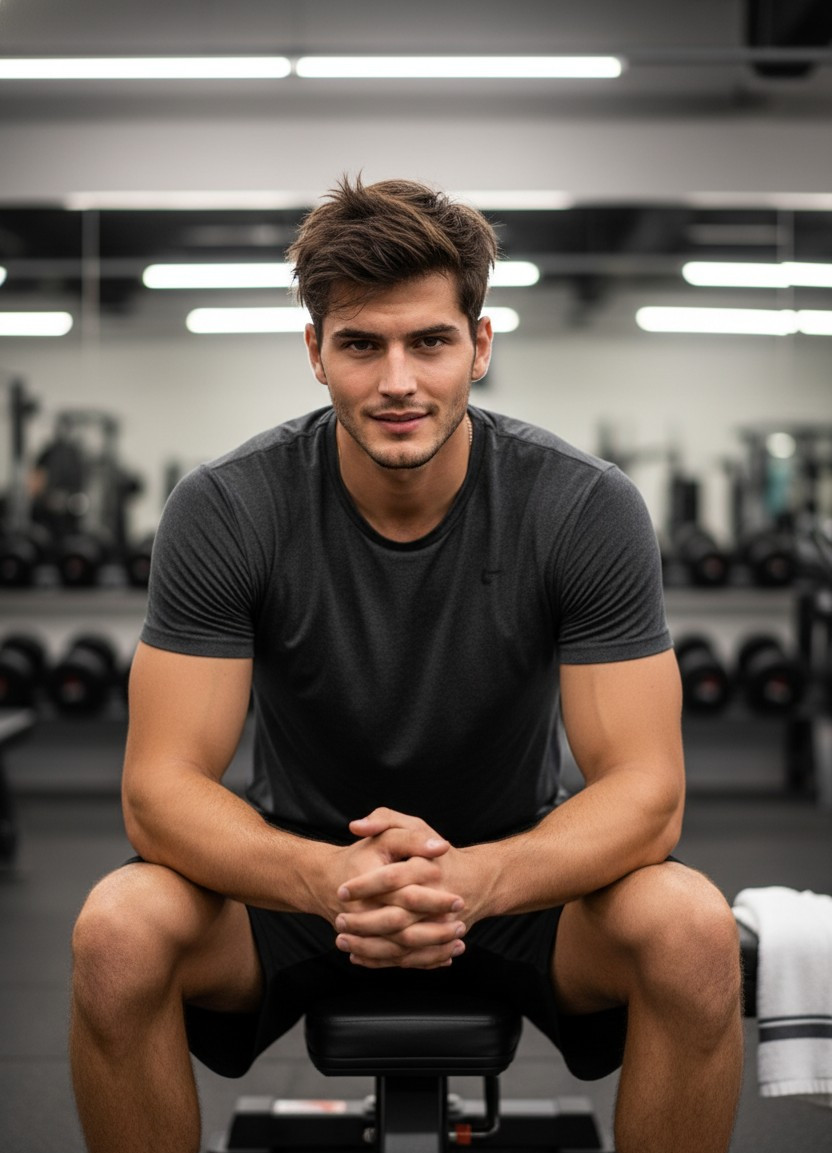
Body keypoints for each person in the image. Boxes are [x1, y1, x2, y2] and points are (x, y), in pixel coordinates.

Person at [69, 176, 743, 1153]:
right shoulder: (228, 507)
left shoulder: (581, 506)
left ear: (478, 342)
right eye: (360, 344)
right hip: (297, 884)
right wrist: (328, 879)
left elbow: (647, 790)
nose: (397, 381)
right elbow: (159, 790)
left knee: (690, 925)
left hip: (519, 884)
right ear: (316, 352)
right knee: (115, 927)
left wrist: (475, 880)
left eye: (428, 341)